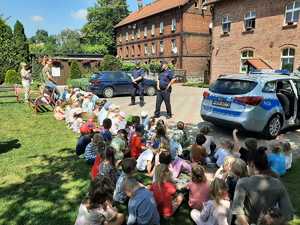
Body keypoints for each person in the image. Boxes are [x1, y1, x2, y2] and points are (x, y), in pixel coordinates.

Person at [231, 147, 294, 225]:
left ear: (251, 164)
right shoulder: (278, 183)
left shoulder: (243, 182)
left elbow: (238, 212)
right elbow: (288, 214)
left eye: (247, 164)